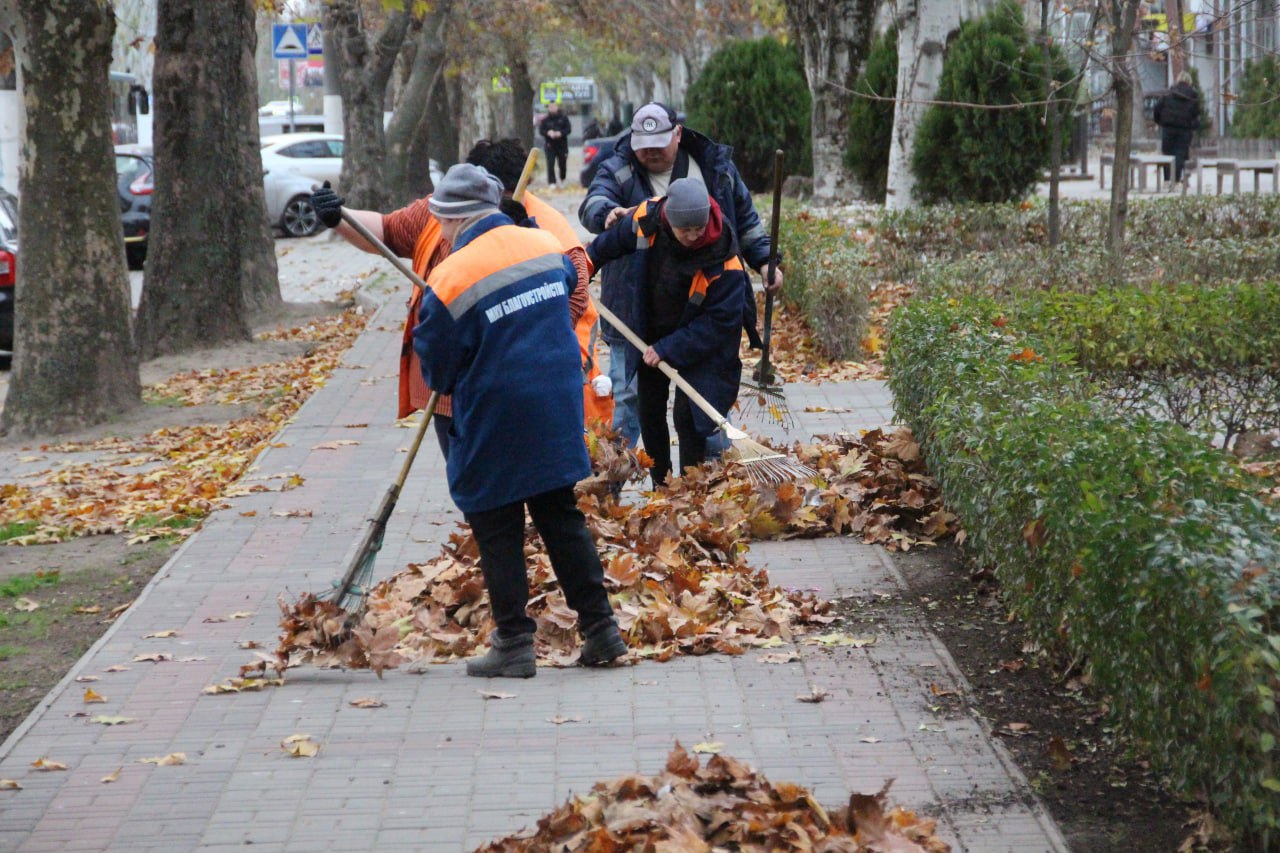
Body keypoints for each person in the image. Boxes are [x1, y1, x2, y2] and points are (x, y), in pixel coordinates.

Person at [413, 164, 627, 678]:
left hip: (495, 414)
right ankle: (601, 630)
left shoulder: (448, 277)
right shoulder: (543, 247)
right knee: (560, 515)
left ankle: (513, 642)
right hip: (555, 404)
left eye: (441, 222)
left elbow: (438, 370)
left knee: (496, 523)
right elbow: (569, 303)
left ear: (455, 219)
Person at [578, 101, 782, 448]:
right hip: (635, 307)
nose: (652, 154)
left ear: (677, 134)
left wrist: (764, 260)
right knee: (627, 402)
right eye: (644, 148)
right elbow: (594, 204)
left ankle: (708, 482)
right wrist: (607, 214)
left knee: (704, 401)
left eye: (659, 145)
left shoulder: (714, 168)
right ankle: (610, 482)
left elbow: (745, 220)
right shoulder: (619, 169)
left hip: (701, 304)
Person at [587, 178, 748, 487]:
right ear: (669, 221)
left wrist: (669, 348)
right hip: (650, 326)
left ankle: (688, 486)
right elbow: (607, 245)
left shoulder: (724, 257)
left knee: (690, 418)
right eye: (684, 230)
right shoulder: (646, 218)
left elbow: (719, 323)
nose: (692, 236)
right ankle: (661, 484)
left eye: (698, 229)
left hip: (700, 340)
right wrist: (583, 268)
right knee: (650, 412)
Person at [465, 138, 613, 430]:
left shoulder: (547, 224)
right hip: (510, 361)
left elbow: (577, 287)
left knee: (576, 425)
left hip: (564, 347)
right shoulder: (471, 215)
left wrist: (537, 340)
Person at [1153, 71, 1201, 188]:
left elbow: (1157, 108)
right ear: (1189, 82)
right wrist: (1192, 126)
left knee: (1167, 153)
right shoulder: (1193, 96)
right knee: (1180, 154)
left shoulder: (1169, 93)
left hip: (1168, 128)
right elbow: (1197, 114)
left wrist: (1160, 122)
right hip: (1184, 129)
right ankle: (1177, 180)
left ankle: (1167, 180)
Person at [538, 102, 572, 187]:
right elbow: (541, 131)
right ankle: (552, 182)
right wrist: (548, 132)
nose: (552, 108)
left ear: (557, 107)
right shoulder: (545, 120)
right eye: (550, 107)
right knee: (550, 163)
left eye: (554, 106)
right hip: (550, 145)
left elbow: (568, 129)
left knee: (562, 163)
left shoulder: (563, 118)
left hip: (562, 145)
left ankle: (562, 179)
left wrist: (560, 133)